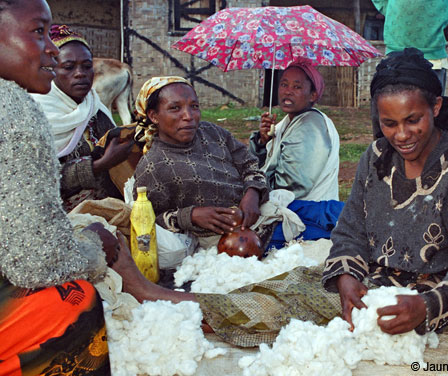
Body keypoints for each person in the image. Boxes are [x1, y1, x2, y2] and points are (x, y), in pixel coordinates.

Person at [189, 48, 448, 346]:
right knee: (285, 291)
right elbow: (350, 229)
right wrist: (347, 276)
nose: (401, 135)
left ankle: (195, 310)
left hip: (437, 292)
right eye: (389, 123)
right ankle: (180, 306)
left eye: (413, 120)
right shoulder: (377, 156)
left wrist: (426, 307)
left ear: (437, 107)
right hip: (375, 280)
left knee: (293, 316)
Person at [0, 0, 114, 373]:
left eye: (87, 66)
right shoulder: (15, 114)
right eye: (38, 32)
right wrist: (94, 249)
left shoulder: (98, 115)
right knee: (76, 301)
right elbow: (37, 261)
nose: (50, 47)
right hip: (39, 251)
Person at [132, 76, 270, 250]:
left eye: (194, 106)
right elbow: (147, 220)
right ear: (153, 116)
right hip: (218, 241)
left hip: (259, 214)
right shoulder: (153, 166)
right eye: (175, 108)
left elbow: (250, 163)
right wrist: (190, 216)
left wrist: (253, 193)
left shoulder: (213, 133)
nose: (188, 116)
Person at [31, 24, 133, 211]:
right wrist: (99, 165)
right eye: (68, 67)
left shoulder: (94, 107)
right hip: (62, 218)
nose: (80, 74)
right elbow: (36, 180)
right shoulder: (38, 115)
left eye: (87, 66)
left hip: (110, 209)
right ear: (51, 70)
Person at [370, 0, 448, 139]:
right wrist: (390, 10)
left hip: (432, 60)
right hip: (394, 57)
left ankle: (431, 158)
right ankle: (383, 155)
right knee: (383, 115)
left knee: (431, 119)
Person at [249, 57, 340, 201]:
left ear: (313, 95)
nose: (288, 91)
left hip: (309, 214)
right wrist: (263, 141)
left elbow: (290, 187)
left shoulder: (311, 127)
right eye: (284, 84)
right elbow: (256, 165)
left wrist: (253, 189)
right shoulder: (283, 125)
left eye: (297, 87)